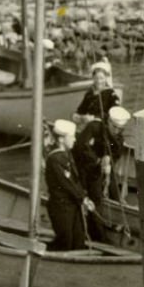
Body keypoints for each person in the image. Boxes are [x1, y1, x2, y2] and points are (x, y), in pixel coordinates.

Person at [45, 119, 94, 251]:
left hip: (72, 206)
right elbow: (67, 183)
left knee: (78, 240)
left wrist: (84, 197)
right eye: (71, 137)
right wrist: (83, 199)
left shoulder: (66, 156)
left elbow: (74, 181)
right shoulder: (55, 159)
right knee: (65, 241)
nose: (74, 140)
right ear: (61, 139)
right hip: (61, 207)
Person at [74, 105, 131, 210]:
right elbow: (81, 146)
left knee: (109, 188)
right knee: (95, 194)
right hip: (83, 167)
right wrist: (97, 160)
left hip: (100, 170)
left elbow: (114, 160)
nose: (117, 131)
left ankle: (117, 204)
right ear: (109, 121)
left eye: (120, 129)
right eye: (114, 127)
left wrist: (108, 162)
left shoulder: (118, 141)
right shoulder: (94, 127)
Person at [73, 59, 120, 124]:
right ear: (93, 78)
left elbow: (115, 113)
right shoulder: (89, 94)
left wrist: (95, 118)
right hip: (89, 125)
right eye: (96, 78)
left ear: (106, 78)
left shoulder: (111, 94)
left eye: (101, 78)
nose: (99, 81)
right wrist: (78, 116)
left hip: (103, 126)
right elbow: (81, 110)